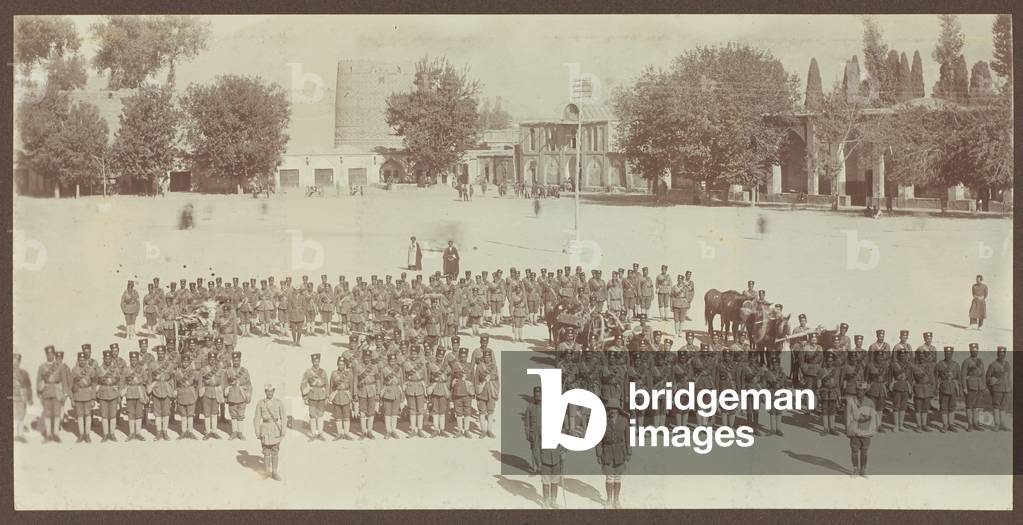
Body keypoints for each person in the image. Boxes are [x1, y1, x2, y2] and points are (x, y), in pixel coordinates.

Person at [597, 405, 631, 509]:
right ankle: (609, 500)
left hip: (620, 451)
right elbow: (598, 441)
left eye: (614, 409)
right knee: (609, 477)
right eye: (610, 409)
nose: (612, 411)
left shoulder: (624, 421)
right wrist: (598, 454)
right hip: (607, 451)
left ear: (618, 410)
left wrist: (629, 452)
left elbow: (628, 439)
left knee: (617, 478)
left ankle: (616, 500)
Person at [253, 383, 287, 481]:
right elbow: (256, 418)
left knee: (275, 451)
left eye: (271, 391)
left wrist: (283, 430)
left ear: (274, 392)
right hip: (264, 429)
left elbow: (284, 418)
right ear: (265, 392)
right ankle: (267, 472)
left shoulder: (279, 403)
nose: (269, 393)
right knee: (266, 451)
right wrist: (257, 432)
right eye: (267, 391)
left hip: (276, 429)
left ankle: (275, 472)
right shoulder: (260, 403)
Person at [36, 345, 68, 443]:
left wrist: (65, 393)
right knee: (48, 414)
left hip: (56, 391)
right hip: (46, 391)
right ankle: (49, 435)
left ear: (54, 354)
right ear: (46, 354)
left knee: (57, 414)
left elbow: (64, 380)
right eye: (48, 353)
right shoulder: (42, 367)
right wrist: (39, 392)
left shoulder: (60, 366)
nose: (50, 355)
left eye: (51, 353)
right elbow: (39, 380)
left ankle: (56, 435)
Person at [846, 381, 878, 478]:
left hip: (865, 430)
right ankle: (855, 469)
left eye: (862, 390)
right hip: (854, 430)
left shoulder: (869, 402)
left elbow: (874, 416)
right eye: (858, 390)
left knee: (864, 451)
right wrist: (847, 429)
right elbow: (848, 415)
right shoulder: (851, 401)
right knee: (854, 450)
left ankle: (863, 469)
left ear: (865, 391)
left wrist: (873, 429)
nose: (859, 392)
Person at [223, 351, 252, 440]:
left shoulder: (245, 371)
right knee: (233, 414)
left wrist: (248, 395)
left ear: (240, 360)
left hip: (241, 395)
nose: (236, 362)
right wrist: (226, 394)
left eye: (237, 360)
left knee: (241, 415)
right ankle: (234, 432)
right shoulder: (229, 371)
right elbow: (225, 383)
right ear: (232, 360)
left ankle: (240, 432)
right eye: (234, 360)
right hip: (232, 395)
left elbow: (249, 384)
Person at [301, 353, 329, 441]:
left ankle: (320, 433)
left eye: (317, 361)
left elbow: (327, 384)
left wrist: (327, 396)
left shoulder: (323, 371)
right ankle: (313, 434)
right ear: (312, 362)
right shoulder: (308, 372)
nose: (316, 363)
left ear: (319, 361)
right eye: (314, 361)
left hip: (321, 395)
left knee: (320, 414)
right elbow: (303, 383)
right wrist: (305, 396)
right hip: (312, 395)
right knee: (312, 415)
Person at [123, 351, 150, 441]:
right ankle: (131, 433)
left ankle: (138, 433)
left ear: (137, 360)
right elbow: (123, 381)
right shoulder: (126, 369)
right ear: (130, 360)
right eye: (132, 359)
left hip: (139, 393)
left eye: (135, 359)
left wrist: (146, 392)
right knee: (131, 413)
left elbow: (146, 380)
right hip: (130, 392)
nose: (134, 361)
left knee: (138, 414)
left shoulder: (141, 369)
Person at [935, 346, 962, 433]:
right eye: (946, 353)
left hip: (953, 388)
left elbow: (959, 378)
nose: (948, 355)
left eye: (950, 353)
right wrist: (936, 388)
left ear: (952, 354)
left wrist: (960, 389)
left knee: (952, 407)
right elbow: (935, 377)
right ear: (944, 353)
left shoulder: (956, 365)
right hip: (944, 388)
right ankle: (945, 425)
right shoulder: (940, 364)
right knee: (943, 407)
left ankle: (951, 424)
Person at [475, 348, 500, 439]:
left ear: (491, 357)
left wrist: (496, 392)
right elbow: (476, 379)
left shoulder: (494, 366)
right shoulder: (479, 366)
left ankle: (489, 430)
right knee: (482, 412)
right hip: (482, 392)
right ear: (483, 357)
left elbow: (497, 380)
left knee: (490, 412)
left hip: (491, 391)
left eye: (488, 356)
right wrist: (477, 391)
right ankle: (483, 431)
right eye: (485, 357)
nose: (487, 358)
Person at [199, 351, 224, 439]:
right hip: (207, 391)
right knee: (207, 413)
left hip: (216, 391)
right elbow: (200, 381)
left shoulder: (219, 370)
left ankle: (214, 431)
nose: (212, 361)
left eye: (213, 359)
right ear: (208, 360)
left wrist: (222, 391)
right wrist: (201, 391)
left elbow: (222, 381)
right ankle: (207, 432)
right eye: (210, 359)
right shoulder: (203, 369)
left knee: (214, 412)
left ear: (216, 360)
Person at [986, 346, 1011, 431]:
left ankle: (1003, 424)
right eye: (1000, 354)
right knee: (996, 407)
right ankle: (997, 424)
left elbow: (1008, 377)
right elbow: (987, 378)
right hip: (997, 389)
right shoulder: (993, 365)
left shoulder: (1007, 364)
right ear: (997, 354)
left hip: (1006, 389)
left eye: (1003, 354)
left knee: (1003, 408)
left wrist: (1009, 388)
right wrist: (991, 388)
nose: (1002, 355)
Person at [962, 343, 985, 432]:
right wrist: (964, 387)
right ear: (970, 351)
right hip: (970, 386)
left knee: (977, 406)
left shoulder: (980, 361)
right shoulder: (967, 361)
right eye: (973, 351)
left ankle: (976, 423)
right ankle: (970, 425)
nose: (974, 352)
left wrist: (983, 386)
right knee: (969, 406)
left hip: (979, 387)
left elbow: (983, 374)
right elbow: (963, 375)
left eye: (976, 350)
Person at [13, 353, 32, 443]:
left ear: (19, 362)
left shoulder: (24, 373)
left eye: (17, 361)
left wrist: (30, 398)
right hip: (10, 398)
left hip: (21, 398)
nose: (15, 363)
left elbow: (28, 386)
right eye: (13, 361)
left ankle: (19, 435)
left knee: (21, 416)